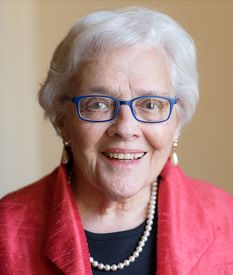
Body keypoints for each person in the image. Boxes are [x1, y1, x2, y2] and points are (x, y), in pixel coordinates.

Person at [0, 6, 233, 275]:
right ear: (63, 120)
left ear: (176, 122)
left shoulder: (227, 222)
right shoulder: (7, 234)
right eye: (98, 103)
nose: (125, 128)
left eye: (150, 104)